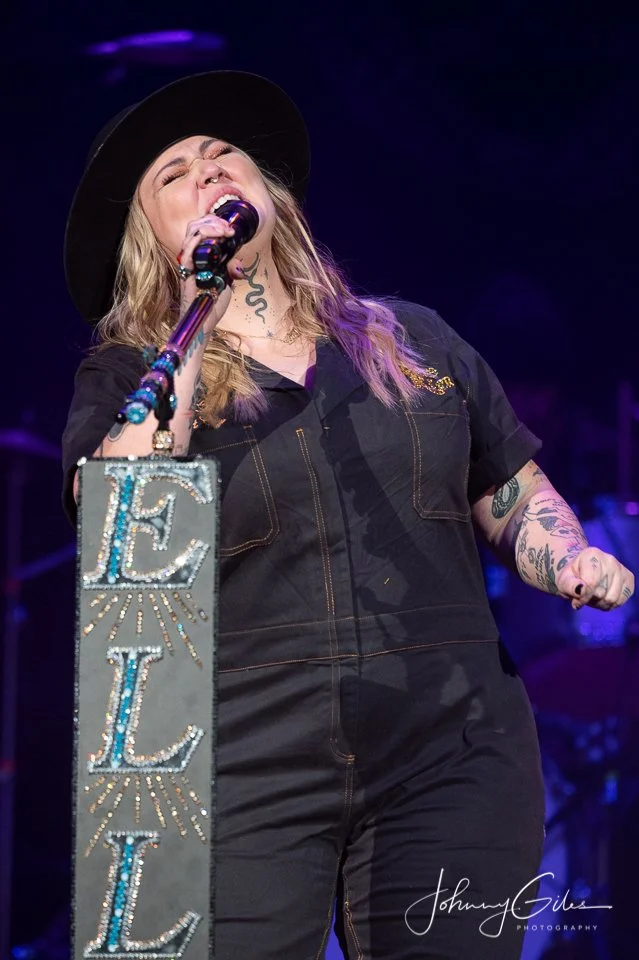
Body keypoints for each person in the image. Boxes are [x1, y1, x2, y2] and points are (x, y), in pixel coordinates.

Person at [62, 70, 635, 960]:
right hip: (244, 753)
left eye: (224, 156)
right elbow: (124, 518)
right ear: (147, 237)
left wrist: (564, 555)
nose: (208, 173)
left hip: (451, 737)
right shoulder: (128, 380)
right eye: (174, 174)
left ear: (272, 196)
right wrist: (193, 308)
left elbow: (507, 485)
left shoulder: (412, 342)